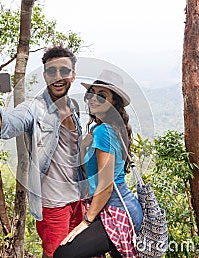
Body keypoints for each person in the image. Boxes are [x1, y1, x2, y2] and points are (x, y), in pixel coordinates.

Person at [0, 45, 85, 258]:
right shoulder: (34, 108)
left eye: (64, 71)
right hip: (53, 205)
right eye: (51, 71)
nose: (58, 76)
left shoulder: (73, 107)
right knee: (57, 254)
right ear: (45, 75)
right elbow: (5, 125)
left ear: (73, 76)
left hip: (78, 200)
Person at [54, 70, 143, 258]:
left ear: (113, 103)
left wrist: (86, 221)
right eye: (91, 93)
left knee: (63, 254)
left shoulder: (104, 131)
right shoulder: (101, 129)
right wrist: (85, 147)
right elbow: (91, 173)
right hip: (111, 207)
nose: (93, 99)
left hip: (117, 211)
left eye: (102, 96)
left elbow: (105, 185)